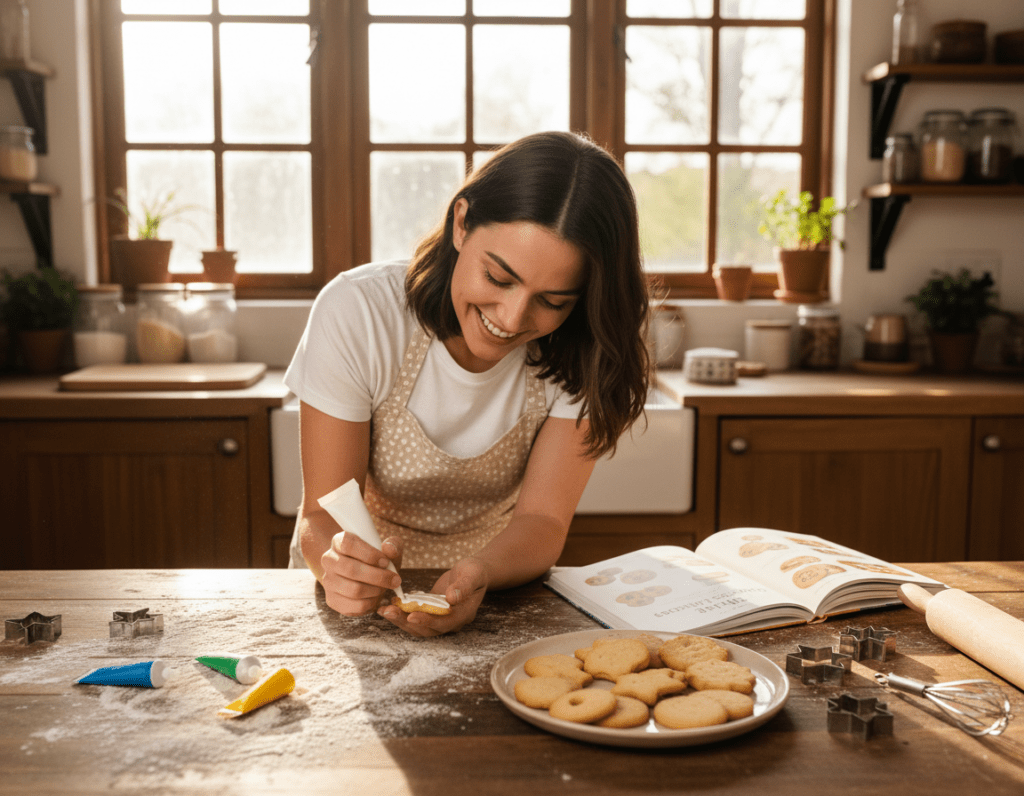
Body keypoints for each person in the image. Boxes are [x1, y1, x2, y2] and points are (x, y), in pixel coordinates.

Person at [285, 130, 650, 636]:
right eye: (499, 279)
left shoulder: (586, 346)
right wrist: (340, 570)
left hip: (498, 594)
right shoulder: (359, 311)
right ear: (461, 223)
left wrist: (475, 576)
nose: (513, 318)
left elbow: (543, 523)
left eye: (553, 301)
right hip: (353, 594)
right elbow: (320, 515)